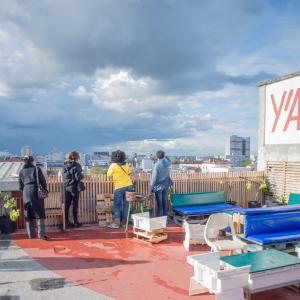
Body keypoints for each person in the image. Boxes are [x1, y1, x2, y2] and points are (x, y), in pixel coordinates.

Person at [19, 155, 48, 240]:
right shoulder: (36, 169)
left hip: (25, 193)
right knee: (40, 214)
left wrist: (25, 191)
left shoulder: (21, 171)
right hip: (35, 192)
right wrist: (45, 190)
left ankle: (31, 235)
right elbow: (43, 181)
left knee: (28, 215)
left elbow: (20, 186)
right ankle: (41, 235)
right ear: (32, 161)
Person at [107, 150, 133, 229]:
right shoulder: (126, 165)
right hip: (129, 185)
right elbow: (129, 172)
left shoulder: (113, 165)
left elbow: (108, 174)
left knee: (117, 205)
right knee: (126, 204)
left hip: (119, 186)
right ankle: (125, 222)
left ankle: (116, 223)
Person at [62, 151, 84, 228]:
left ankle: (66, 222)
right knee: (75, 205)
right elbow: (79, 177)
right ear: (76, 157)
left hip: (66, 187)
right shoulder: (77, 165)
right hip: (74, 187)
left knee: (66, 205)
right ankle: (75, 222)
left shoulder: (65, 166)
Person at [150, 150, 172, 216]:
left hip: (158, 187)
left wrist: (151, 188)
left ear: (157, 157)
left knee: (160, 204)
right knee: (164, 203)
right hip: (165, 186)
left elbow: (154, 178)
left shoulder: (157, 165)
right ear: (163, 156)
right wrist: (165, 156)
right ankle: (165, 218)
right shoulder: (167, 163)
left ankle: (161, 220)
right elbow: (170, 161)